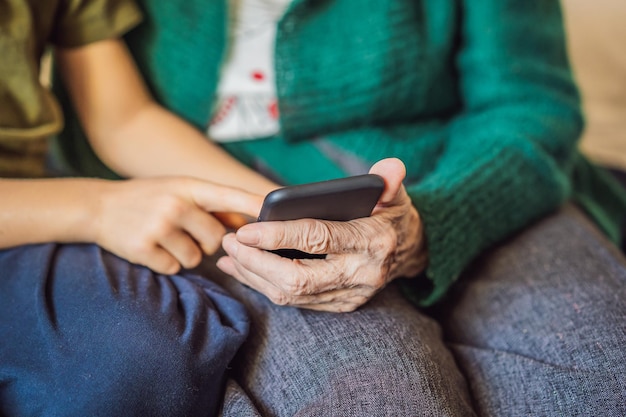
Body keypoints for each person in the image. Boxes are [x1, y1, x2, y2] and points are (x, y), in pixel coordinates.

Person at [52, 0, 626, 416]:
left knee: (602, 376)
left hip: (462, 170)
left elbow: (530, 104)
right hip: (186, 182)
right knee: (377, 396)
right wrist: (260, 213)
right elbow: (114, 117)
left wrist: (433, 223)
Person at [0, 0, 285, 415]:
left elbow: (122, 119)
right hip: (38, 213)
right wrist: (97, 208)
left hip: (25, 217)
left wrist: (274, 207)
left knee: (147, 354)